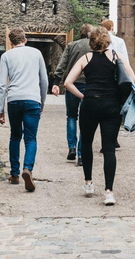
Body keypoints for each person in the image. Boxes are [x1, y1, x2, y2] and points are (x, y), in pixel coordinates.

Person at [64, 25, 135, 206]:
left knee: (87, 143)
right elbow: (133, 80)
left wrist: (83, 96)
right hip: (112, 106)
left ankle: (88, 182)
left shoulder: (86, 58)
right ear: (108, 40)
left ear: (91, 41)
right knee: (109, 148)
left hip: (90, 104)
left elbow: (68, 82)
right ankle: (109, 193)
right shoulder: (116, 57)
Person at [0, 27, 48, 193]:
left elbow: (2, 85)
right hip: (32, 99)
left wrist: (0, 109)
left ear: (11, 43)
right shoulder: (36, 53)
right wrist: (42, 101)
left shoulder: (6, 56)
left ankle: (14, 174)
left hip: (14, 100)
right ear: (25, 40)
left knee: (15, 136)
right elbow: (44, 80)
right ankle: (28, 169)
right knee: (31, 138)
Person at [52, 24, 93, 167]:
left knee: (71, 116)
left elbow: (62, 64)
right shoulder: (94, 46)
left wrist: (56, 81)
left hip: (71, 84)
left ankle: (72, 148)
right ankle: (82, 154)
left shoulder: (71, 45)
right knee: (86, 120)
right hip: (89, 85)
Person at [100, 19, 128, 149]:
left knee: (102, 109)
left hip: (104, 75)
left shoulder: (99, 40)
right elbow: (125, 59)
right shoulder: (119, 41)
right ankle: (113, 137)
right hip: (118, 76)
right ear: (112, 27)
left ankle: (104, 139)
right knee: (117, 108)